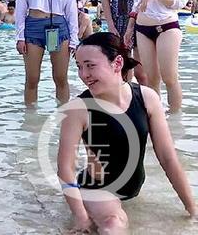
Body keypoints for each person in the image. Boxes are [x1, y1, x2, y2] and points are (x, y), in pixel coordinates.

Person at [57, 32, 196, 233]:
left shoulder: (147, 98)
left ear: (117, 63)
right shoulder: (78, 109)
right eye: (79, 66)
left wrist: (192, 208)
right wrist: (81, 218)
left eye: (90, 65)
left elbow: (167, 158)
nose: (83, 74)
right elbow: (65, 169)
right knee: (113, 224)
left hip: (132, 189)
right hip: (96, 188)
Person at [15, 0, 78, 104]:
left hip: (58, 27)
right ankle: (30, 121)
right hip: (34, 27)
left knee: (60, 77)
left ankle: (63, 117)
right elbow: (20, 10)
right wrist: (20, 37)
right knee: (32, 78)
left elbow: (71, 10)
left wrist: (74, 39)